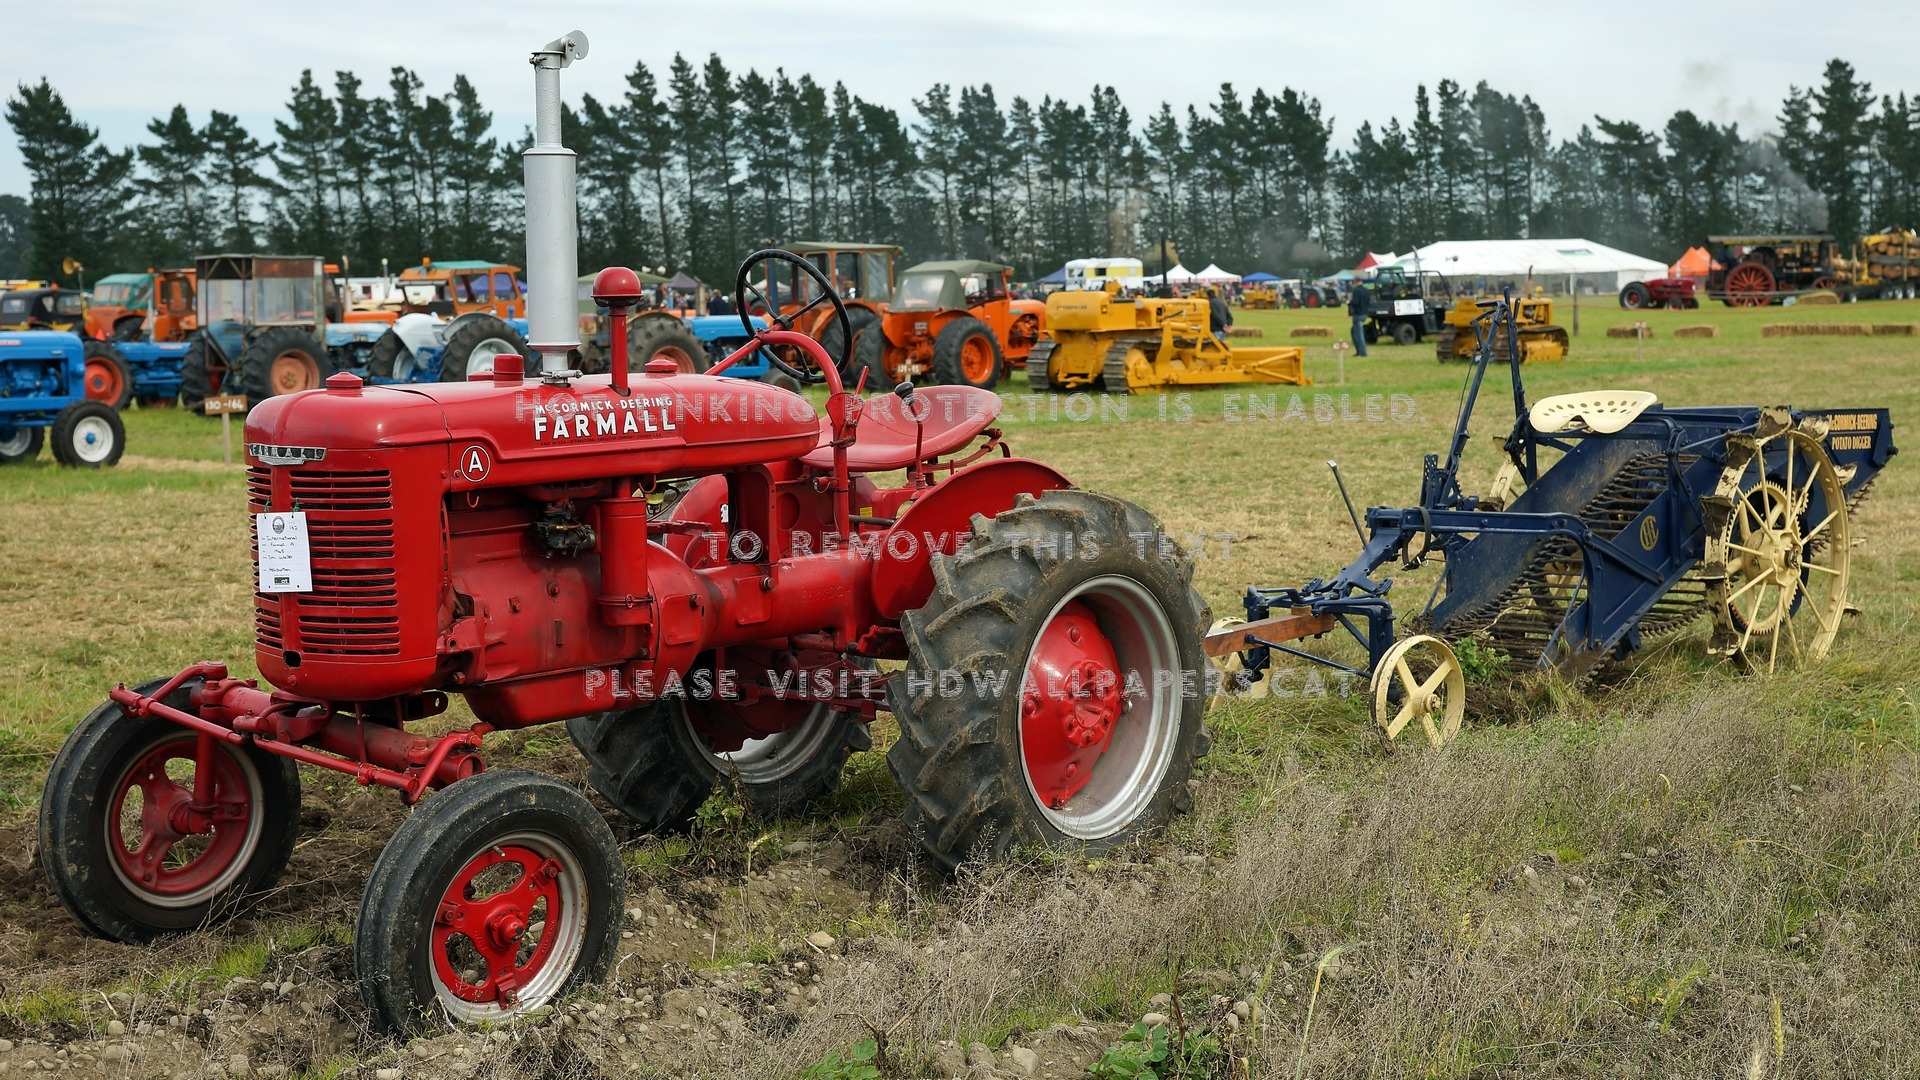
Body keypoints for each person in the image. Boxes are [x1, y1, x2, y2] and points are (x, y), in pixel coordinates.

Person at [1347, 276, 1372, 357]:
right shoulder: (1366, 291)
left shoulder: (1356, 290)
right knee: (1353, 331)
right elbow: (1368, 302)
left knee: (1359, 334)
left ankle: (1362, 352)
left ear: (1356, 282)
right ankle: (1359, 351)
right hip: (1365, 313)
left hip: (1358, 314)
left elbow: (1356, 302)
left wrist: (1349, 302)